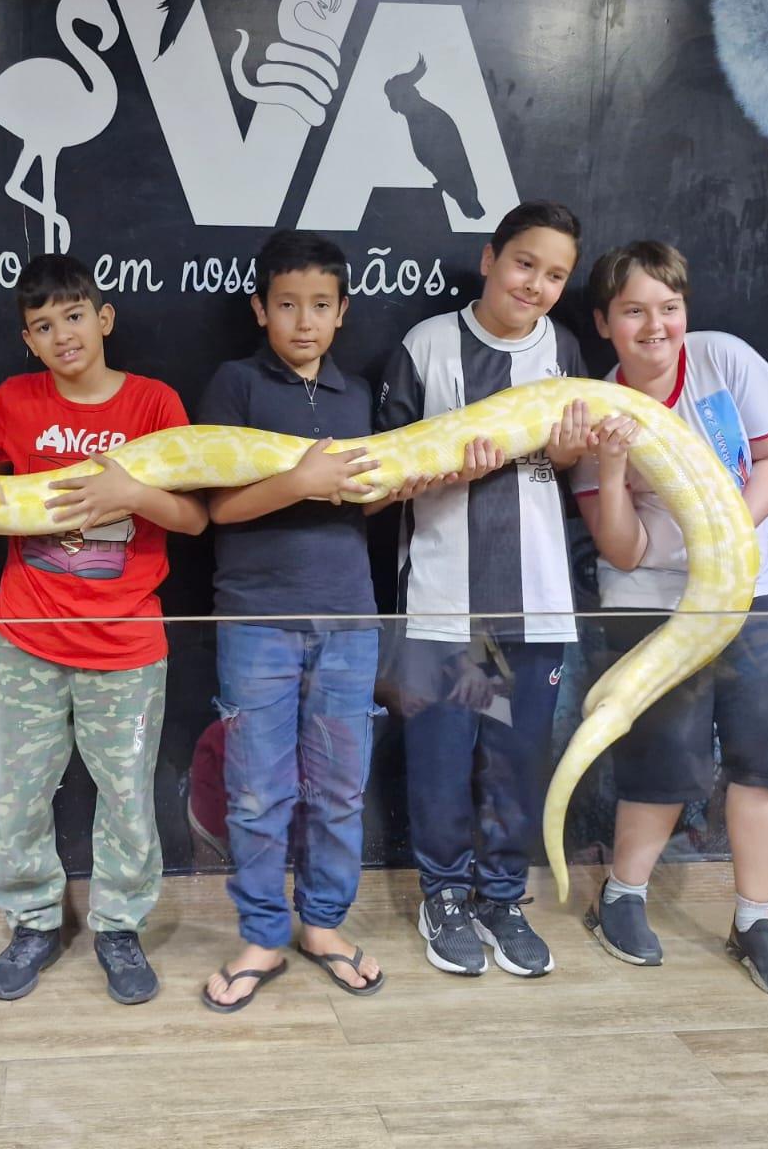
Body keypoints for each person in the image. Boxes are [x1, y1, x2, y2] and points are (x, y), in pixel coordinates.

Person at [196, 231, 436, 1012]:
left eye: (320, 306)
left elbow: (363, 500)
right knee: (257, 792)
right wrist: (301, 479)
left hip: (349, 622)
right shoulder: (234, 385)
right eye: (288, 305)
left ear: (342, 313)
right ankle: (263, 935)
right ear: (260, 309)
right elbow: (218, 509)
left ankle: (323, 925)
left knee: (338, 789)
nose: (304, 322)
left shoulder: (358, 395)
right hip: (256, 622)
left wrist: (398, 488)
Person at [0, 253, 207, 1005]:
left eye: (73, 316)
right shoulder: (13, 399)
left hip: (126, 643)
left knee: (127, 795)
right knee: (21, 793)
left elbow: (193, 518)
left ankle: (119, 927)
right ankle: (32, 922)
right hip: (24, 638)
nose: (61, 334)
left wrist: (130, 492)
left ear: (104, 319)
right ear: (27, 340)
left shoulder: (155, 403)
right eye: (42, 326)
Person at [572, 240, 768, 999]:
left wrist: (726, 536)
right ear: (604, 322)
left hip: (747, 587)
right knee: (663, 751)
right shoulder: (592, 408)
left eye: (668, 308)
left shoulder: (724, 361)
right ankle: (622, 896)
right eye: (634, 311)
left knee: (765, 750)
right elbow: (625, 549)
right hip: (648, 597)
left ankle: (755, 919)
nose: (655, 326)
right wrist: (612, 465)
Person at [376, 200, 595, 979]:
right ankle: (444, 894)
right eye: (525, 263)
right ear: (490, 259)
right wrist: (442, 469)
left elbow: (566, 468)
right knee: (441, 761)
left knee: (516, 761)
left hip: (538, 599)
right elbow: (381, 475)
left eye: (555, 275)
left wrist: (569, 454)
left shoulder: (565, 350)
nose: (535, 284)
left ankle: (503, 896)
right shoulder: (426, 344)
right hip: (443, 600)